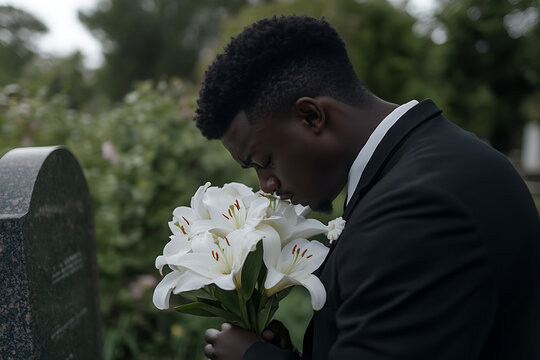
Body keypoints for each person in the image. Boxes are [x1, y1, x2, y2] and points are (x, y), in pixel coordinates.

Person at [192, 15, 540, 360]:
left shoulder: (416, 208)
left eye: (263, 161)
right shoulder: (444, 159)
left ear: (311, 116)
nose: (266, 186)